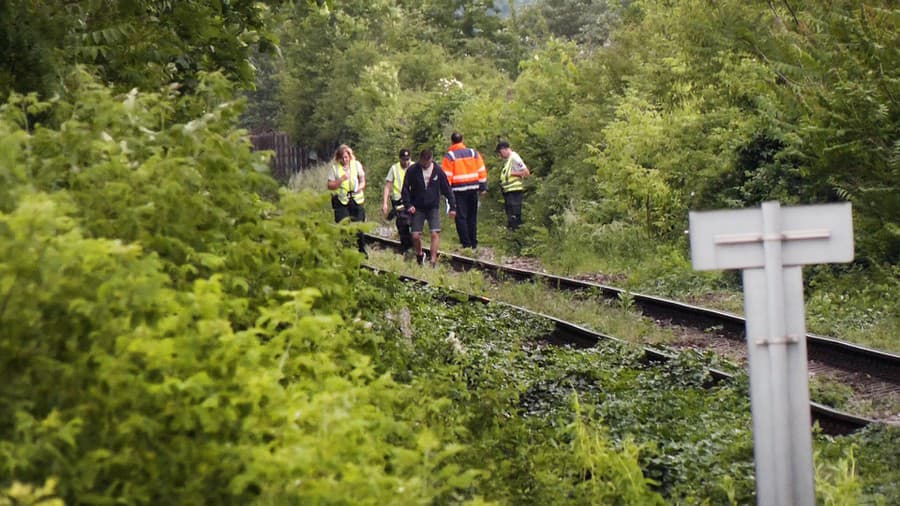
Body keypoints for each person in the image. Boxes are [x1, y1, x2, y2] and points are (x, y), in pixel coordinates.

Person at [401, 149, 457, 267]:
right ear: (420, 160)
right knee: (415, 235)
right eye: (423, 162)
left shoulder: (438, 170)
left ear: (431, 159)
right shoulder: (413, 170)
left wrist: (453, 207)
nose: (425, 165)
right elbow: (405, 189)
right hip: (418, 207)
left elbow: (447, 189)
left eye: (427, 162)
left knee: (435, 233)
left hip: (433, 206)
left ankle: (433, 260)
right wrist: (408, 205)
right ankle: (420, 254)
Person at [442, 132, 486, 249]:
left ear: (452, 141)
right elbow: (481, 170)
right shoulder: (473, 153)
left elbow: (447, 176)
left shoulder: (450, 156)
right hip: (473, 188)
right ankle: (474, 242)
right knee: (472, 216)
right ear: (462, 140)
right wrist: (483, 187)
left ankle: (466, 243)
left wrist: (446, 193)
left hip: (458, 190)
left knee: (461, 217)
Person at [326, 144, 367, 255]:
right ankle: (345, 250)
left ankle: (362, 250)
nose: (344, 160)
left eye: (346, 157)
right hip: (341, 201)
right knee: (343, 226)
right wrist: (341, 179)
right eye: (342, 158)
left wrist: (360, 187)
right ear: (338, 158)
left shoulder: (356, 165)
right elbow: (330, 186)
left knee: (359, 226)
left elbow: (363, 180)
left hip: (356, 199)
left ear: (349, 156)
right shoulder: (335, 169)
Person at [382, 148, 413, 254]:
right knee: (403, 225)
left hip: (413, 201)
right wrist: (385, 203)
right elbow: (388, 186)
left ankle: (413, 247)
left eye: (408, 159)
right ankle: (406, 248)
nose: (406, 162)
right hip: (399, 202)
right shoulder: (394, 169)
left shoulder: (415, 167)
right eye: (404, 159)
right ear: (400, 159)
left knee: (415, 225)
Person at [496, 141, 531, 230]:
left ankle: (516, 232)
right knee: (510, 214)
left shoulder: (515, 158)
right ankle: (511, 232)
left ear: (504, 150)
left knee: (515, 213)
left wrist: (513, 174)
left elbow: (526, 172)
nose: (500, 155)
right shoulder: (509, 160)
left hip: (515, 190)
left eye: (500, 153)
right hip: (509, 191)